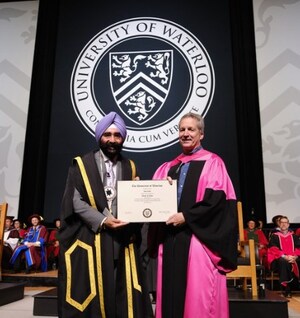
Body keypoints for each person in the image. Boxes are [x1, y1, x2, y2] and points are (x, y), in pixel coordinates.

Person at [58, 111, 152, 318]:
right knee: (95, 290)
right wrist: (102, 220)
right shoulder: (81, 164)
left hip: (121, 237)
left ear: (123, 138)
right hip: (92, 237)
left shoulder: (130, 166)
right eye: (107, 135)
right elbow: (74, 201)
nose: (112, 140)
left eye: (117, 135)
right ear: (99, 135)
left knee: (120, 290)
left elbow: (135, 200)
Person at [148, 112, 237, 318]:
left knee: (198, 298)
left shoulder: (213, 163)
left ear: (201, 134)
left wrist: (186, 216)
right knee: (171, 294)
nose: (186, 133)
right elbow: (152, 200)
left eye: (191, 129)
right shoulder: (167, 168)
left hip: (198, 241)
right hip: (170, 240)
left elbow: (216, 202)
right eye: (182, 129)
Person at [267, 216, 300, 298]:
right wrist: (284, 256)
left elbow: (298, 248)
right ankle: (287, 289)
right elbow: (273, 249)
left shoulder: (294, 236)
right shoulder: (275, 236)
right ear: (279, 224)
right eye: (282, 222)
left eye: (285, 222)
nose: (284, 224)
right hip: (279, 258)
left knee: (297, 261)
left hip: (293, 257)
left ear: (288, 224)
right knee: (283, 262)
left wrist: (294, 256)